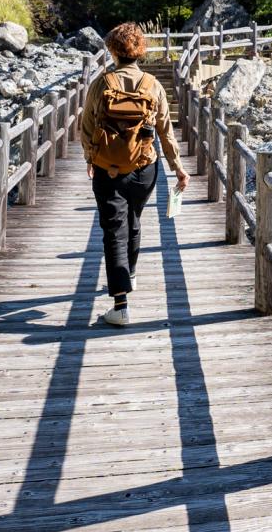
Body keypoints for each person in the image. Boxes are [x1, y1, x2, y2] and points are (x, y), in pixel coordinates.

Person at [78, 22, 189, 327]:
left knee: (114, 231)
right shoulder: (153, 84)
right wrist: (178, 168)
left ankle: (121, 305)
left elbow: (86, 127)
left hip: (107, 168)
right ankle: (133, 274)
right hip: (144, 168)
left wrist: (91, 157)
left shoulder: (101, 84)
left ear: (113, 50)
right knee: (134, 221)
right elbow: (166, 132)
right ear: (140, 50)